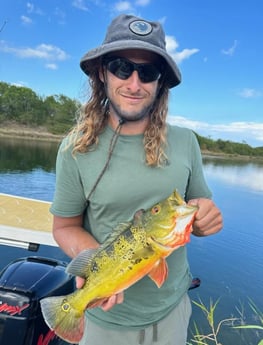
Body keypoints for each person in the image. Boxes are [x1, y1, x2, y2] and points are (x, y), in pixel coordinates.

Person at [50, 13, 223, 345]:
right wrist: (99, 269)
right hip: (105, 320)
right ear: (102, 73)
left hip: (172, 311)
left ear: (160, 84)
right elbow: (64, 227)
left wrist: (204, 219)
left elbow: (198, 208)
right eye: (120, 67)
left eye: (147, 72)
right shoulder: (74, 149)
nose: (133, 83)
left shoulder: (186, 142)